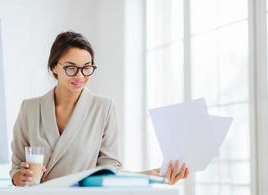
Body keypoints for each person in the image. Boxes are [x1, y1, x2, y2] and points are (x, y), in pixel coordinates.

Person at [10, 31, 189, 186]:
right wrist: (20, 177)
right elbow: (17, 168)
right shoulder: (30, 109)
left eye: (87, 68)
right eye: (71, 68)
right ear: (54, 67)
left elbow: (109, 171)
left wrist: (149, 176)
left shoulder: (104, 108)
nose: (80, 76)